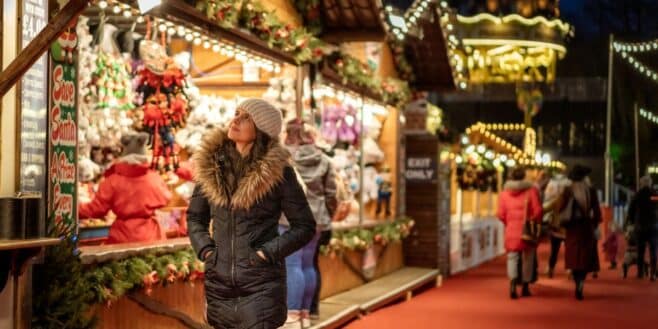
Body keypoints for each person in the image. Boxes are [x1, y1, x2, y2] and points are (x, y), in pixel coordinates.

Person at [187, 99, 316, 328]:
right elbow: (196, 218)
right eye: (236, 113)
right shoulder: (212, 168)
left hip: (261, 283)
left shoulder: (278, 173)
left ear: (261, 130)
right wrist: (206, 251)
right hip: (219, 284)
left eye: (245, 117)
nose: (235, 120)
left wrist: (266, 254)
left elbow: (304, 226)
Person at [280, 120, 337, 328]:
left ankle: (292, 316)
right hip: (317, 219)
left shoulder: (284, 158)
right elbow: (332, 194)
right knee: (307, 264)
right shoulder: (324, 160)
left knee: (292, 265)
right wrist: (326, 214)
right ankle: (305, 313)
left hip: (290, 219)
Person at [79, 131, 171, 244]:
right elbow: (166, 198)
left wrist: (73, 210)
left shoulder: (112, 181)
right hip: (152, 237)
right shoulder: (154, 178)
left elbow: (96, 209)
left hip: (123, 237)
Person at [497, 167, 542, 299]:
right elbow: (538, 210)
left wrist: (509, 222)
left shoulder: (504, 193)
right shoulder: (531, 190)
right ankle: (525, 287)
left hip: (511, 229)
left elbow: (500, 214)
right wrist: (533, 221)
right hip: (526, 230)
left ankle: (512, 285)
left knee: (512, 257)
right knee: (528, 258)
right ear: (523, 177)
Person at [558, 165, 601, 300]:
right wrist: (594, 224)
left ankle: (577, 281)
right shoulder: (590, 190)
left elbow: (560, 208)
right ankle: (581, 282)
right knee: (584, 256)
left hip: (571, 227)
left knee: (573, 256)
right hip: (586, 227)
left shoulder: (568, 190)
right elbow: (597, 211)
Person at [627, 175, 657, 281]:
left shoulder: (637, 195)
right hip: (653, 225)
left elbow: (631, 210)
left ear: (641, 183)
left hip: (640, 226)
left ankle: (640, 273)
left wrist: (631, 222)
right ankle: (653, 273)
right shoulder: (654, 195)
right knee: (653, 250)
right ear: (650, 183)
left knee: (640, 250)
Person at [543, 172, 570, 278]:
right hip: (568, 227)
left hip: (556, 226)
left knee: (554, 250)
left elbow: (546, 208)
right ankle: (570, 269)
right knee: (569, 249)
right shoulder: (571, 200)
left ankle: (550, 268)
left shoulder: (555, 200)